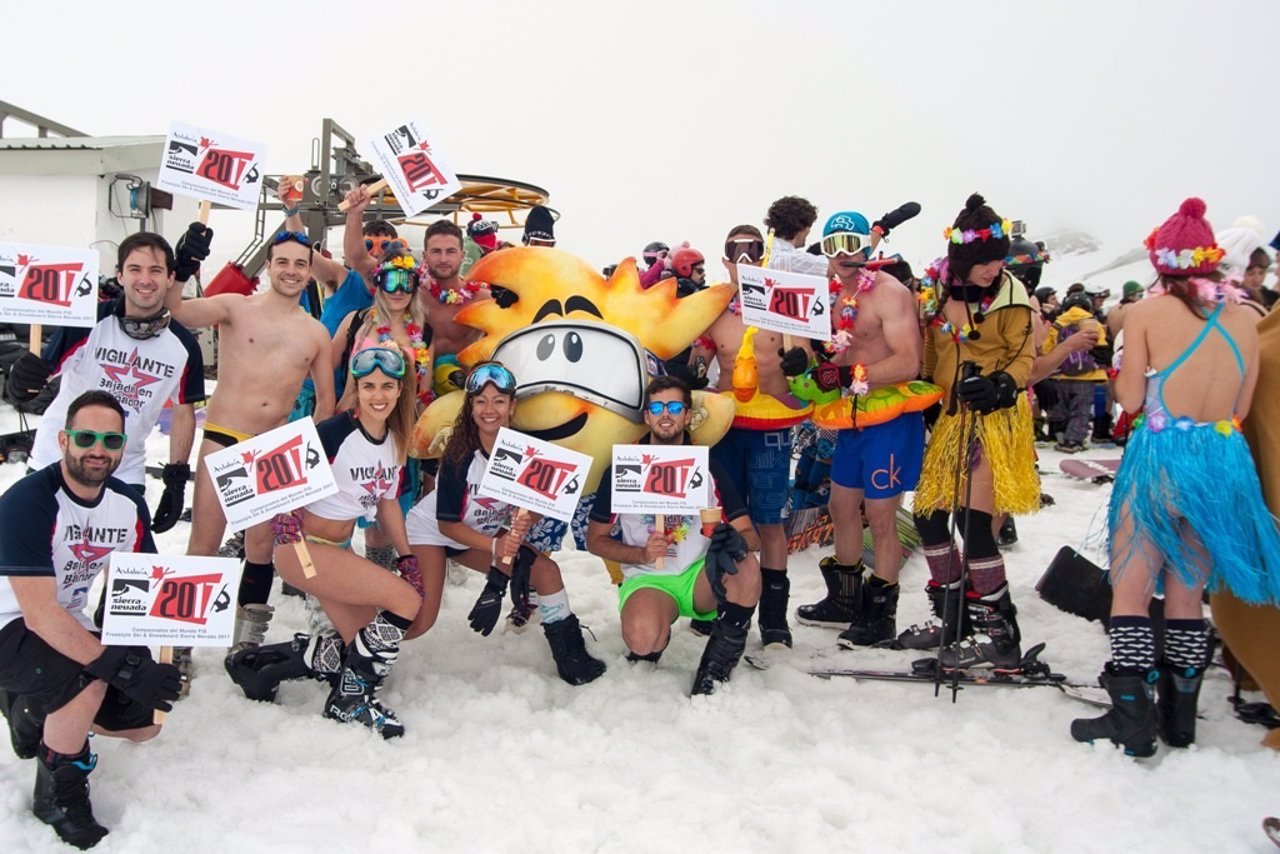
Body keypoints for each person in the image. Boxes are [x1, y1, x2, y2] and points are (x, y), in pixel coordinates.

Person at [1071, 197, 1280, 757]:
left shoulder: (1145, 314)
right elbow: (1240, 402)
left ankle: (1132, 718)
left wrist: (1123, 379)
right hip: (1222, 457)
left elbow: (1133, 398)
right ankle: (1180, 720)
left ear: (1162, 263)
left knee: (1133, 587)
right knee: (1188, 591)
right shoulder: (1249, 316)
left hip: (1164, 453)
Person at [0, 391, 181, 849]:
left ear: (123, 446)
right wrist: (116, 665)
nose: (97, 449)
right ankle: (57, 790)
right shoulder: (28, 502)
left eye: (110, 439)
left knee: (144, 723)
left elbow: (142, 585)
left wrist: (144, 656)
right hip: (11, 619)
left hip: (66, 618)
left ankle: (32, 709)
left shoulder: (126, 503)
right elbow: (40, 614)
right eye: (86, 437)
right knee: (90, 676)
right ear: (63, 440)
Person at [225, 346, 423, 738]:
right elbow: (275, 479)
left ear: (400, 391)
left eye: (387, 386)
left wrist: (407, 557)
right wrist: (283, 515)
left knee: (362, 649)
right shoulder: (335, 432)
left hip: (335, 551)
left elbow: (386, 503)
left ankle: (261, 664)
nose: (378, 395)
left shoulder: (395, 439)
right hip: (304, 550)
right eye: (368, 386)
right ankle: (348, 702)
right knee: (406, 603)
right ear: (357, 388)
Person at [164, 231, 336, 619]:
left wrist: (302, 462)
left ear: (310, 272)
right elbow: (176, 310)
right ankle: (177, 648)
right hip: (224, 439)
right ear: (269, 266)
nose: (291, 271)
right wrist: (183, 269)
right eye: (283, 262)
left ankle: (246, 640)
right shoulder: (235, 308)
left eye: (300, 264)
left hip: (271, 451)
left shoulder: (316, 333)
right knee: (204, 544)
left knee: (260, 547)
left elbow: (326, 405)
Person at [404, 361, 606, 685]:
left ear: (512, 405)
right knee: (420, 619)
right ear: (470, 406)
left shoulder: (525, 452)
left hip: (478, 535)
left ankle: (572, 655)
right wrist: (497, 548)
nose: (490, 410)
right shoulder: (460, 455)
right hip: (434, 533)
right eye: (481, 401)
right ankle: (356, 645)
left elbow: (536, 507)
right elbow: (447, 526)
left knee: (547, 572)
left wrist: (526, 518)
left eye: (499, 401)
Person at [783, 211, 924, 648]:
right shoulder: (824, 296)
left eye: (852, 243)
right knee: (842, 506)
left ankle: (881, 614)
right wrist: (800, 362)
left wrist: (848, 377)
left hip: (891, 418)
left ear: (868, 247)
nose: (844, 254)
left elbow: (908, 361)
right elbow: (816, 353)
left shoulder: (890, 293)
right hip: (850, 419)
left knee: (881, 518)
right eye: (833, 245)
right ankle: (845, 600)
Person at [909, 194, 1039, 667]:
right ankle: (953, 617)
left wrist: (1003, 384)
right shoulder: (936, 293)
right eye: (986, 261)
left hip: (993, 418)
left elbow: (1024, 356)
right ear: (964, 259)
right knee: (928, 516)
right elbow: (929, 348)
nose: (994, 268)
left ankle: (999, 634)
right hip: (947, 419)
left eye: (999, 260)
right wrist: (924, 398)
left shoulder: (1011, 296)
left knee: (973, 523)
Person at [14, 232, 205, 532]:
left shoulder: (184, 346)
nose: (145, 279)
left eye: (155, 271)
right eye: (135, 269)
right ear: (119, 275)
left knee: (120, 565)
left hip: (122, 468)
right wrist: (22, 379)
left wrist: (176, 478)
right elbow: (41, 375)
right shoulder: (88, 323)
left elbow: (183, 412)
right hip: (58, 459)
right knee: (32, 552)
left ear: (170, 278)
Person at [586, 376, 761, 694]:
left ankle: (716, 666)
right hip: (649, 578)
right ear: (647, 417)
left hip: (699, 577)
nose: (665, 414)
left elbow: (750, 534)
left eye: (675, 406)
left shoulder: (709, 467)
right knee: (642, 640)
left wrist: (736, 542)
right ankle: (655, 636)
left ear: (687, 414)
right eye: (657, 407)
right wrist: (640, 554)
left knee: (746, 565)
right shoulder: (623, 469)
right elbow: (594, 539)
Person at [691, 225, 808, 648]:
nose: (743, 259)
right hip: (724, 429)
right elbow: (700, 356)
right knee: (720, 521)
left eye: (753, 251)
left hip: (771, 430)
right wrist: (692, 367)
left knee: (769, 523)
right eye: (734, 253)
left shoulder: (786, 304)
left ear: (764, 256)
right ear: (724, 261)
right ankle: (720, 603)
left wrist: (801, 362)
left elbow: (809, 362)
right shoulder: (716, 308)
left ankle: (775, 620)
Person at [1041, 291, 1110, 452]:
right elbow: (1101, 349)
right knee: (1081, 409)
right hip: (1086, 376)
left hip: (1059, 374)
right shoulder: (1092, 322)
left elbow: (1046, 347)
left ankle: (1061, 434)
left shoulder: (1058, 322)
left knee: (1061, 407)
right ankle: (1074, 440)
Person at [763, 195, 830, 277]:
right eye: (810, 225)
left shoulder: (760, 252)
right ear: (801, 227)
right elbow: (836, 267)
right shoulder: (789, 259)